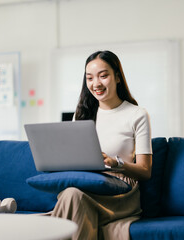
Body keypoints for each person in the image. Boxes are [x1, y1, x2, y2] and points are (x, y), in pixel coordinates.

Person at [51, 50, 153, 240]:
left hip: (120, 191)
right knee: (71, 193)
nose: (96, 84)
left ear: (117, 77)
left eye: (103, 76)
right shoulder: (81, 115)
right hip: (86, 185)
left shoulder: (137, 114)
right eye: (89, 78)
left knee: (72, 196)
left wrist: (116, 163)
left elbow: (145, 170)